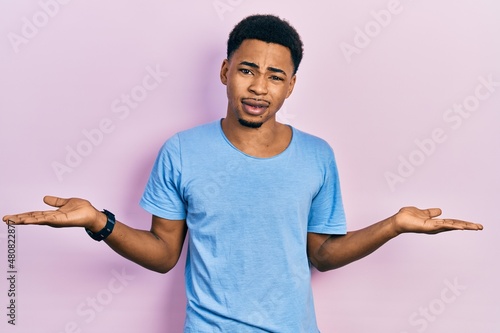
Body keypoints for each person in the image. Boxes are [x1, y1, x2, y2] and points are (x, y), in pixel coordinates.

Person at [2, 14, 483, 332]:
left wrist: (394, 225)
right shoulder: (182, 151)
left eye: (275, 76)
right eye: (247, 70)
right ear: (225, 71)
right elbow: (164, 253)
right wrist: (97, 222)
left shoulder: (317, 156)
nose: (258, 87)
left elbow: (323, 255)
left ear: (291, 85)